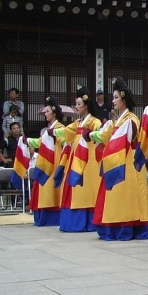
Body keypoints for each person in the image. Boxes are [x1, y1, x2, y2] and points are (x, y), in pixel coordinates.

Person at [89, 78, 148, 241]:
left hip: (128, 163)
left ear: (124, 99)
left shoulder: (131, 120)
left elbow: (115, 138)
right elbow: (104, 135)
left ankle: (126, 227)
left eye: (116, 97)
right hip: (116, 160)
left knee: (126, 195)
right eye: (113, 97)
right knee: (116, 194)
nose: (113, 101)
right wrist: (91, 134)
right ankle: (113, 224)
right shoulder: (117, 121)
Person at [52, 85, 102, 232]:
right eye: (76, 104)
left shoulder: (94, 122)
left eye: (79, 104)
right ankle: (73, 221)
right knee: (74, 187)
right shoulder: (77, 123)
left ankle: (88, 221)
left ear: (86, 106)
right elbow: (65, 132)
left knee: (87, 188)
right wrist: (53, 131)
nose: (77, 106)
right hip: (76, 157)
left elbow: (99, 132)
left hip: (89, 159)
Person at [25, 96, 65, 226]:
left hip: (55, 161)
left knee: (51, 188)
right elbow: (41, 143)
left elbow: (65, 141)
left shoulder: (60, 128)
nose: (45, 114)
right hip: (46, 160)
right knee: (43, 186)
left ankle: (53, 217)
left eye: (47, 111)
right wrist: (28, 140)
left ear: (54, 113)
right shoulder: (49, 129)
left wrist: (56, 134)